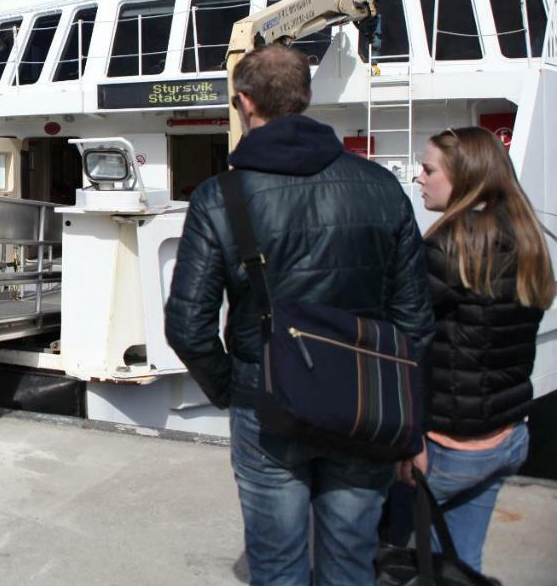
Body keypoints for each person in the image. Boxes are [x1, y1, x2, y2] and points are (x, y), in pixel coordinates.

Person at [164, 44, 433, 585]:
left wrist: (236, 388)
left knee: (279, 566)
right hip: (366, 406)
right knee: (352, 562)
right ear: (306, 98)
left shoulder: (221, 197)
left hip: (267, 408)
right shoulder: (383, 187)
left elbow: (187, 326)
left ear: (244, 102)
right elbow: (415, 322)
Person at [396, 127, 554, 572]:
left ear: (463, 178)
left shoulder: (451, 246)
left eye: (428, 169)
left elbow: (404, 336)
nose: (419, 178)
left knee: (363, 546)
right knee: (461, 565)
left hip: (449, 446)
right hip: (507, 436)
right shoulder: (525, 239)